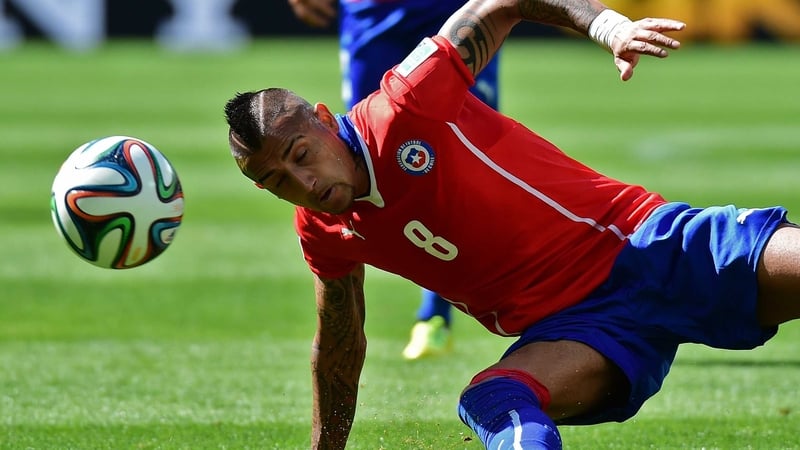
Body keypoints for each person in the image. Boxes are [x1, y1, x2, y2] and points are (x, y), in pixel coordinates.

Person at [224, 0, 800, 448]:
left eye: (300, 154)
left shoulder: (404, 107)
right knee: (494, 400)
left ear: (325, 120)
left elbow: (502, 2)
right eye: (277, 182)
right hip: (581, 332)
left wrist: (608, 28)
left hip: (647, 247)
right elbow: (339, 348)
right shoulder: (321, 230)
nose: (303, 184)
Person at [286, 0, 503, 360]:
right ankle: (359, 320)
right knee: (366, 153)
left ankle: (436, 315)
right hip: (371, 10)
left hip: (450, 5)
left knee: (465, 147)